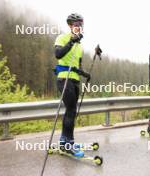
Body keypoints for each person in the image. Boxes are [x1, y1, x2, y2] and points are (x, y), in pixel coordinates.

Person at [54, 13, 90, 157]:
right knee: (70, 110)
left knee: (72, 111)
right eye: (76, 25)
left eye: (80, 25)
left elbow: (77, 65)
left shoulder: (80, 46)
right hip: (64, 78)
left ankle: (65, 141)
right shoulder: (62, 38)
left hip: (75, 79)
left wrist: (85, 74)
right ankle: (69, 144)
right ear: (70, 26)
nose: (78, 27)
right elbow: (58, 54)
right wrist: (71, 41)